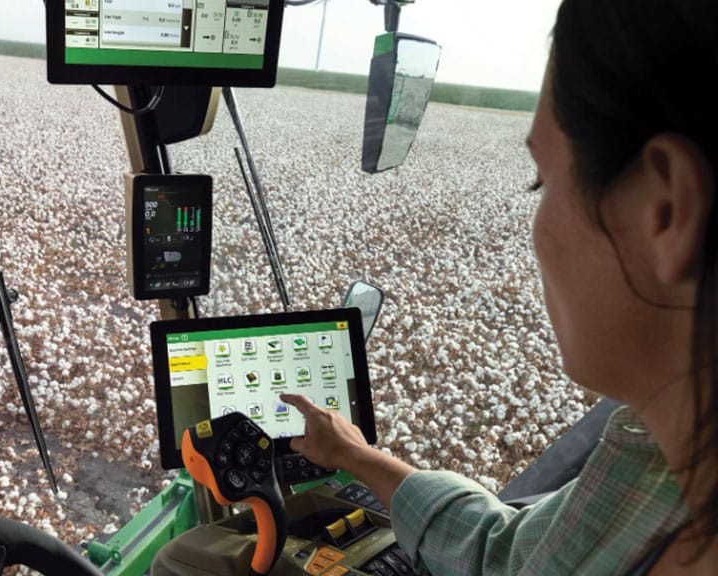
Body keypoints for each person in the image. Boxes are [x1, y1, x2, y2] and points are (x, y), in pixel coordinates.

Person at [283, 0, 718, 574]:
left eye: (543, 180)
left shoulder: (663, 465)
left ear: (666, 211)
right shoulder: (657, 456)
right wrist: (353, 455)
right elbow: (509, 556)